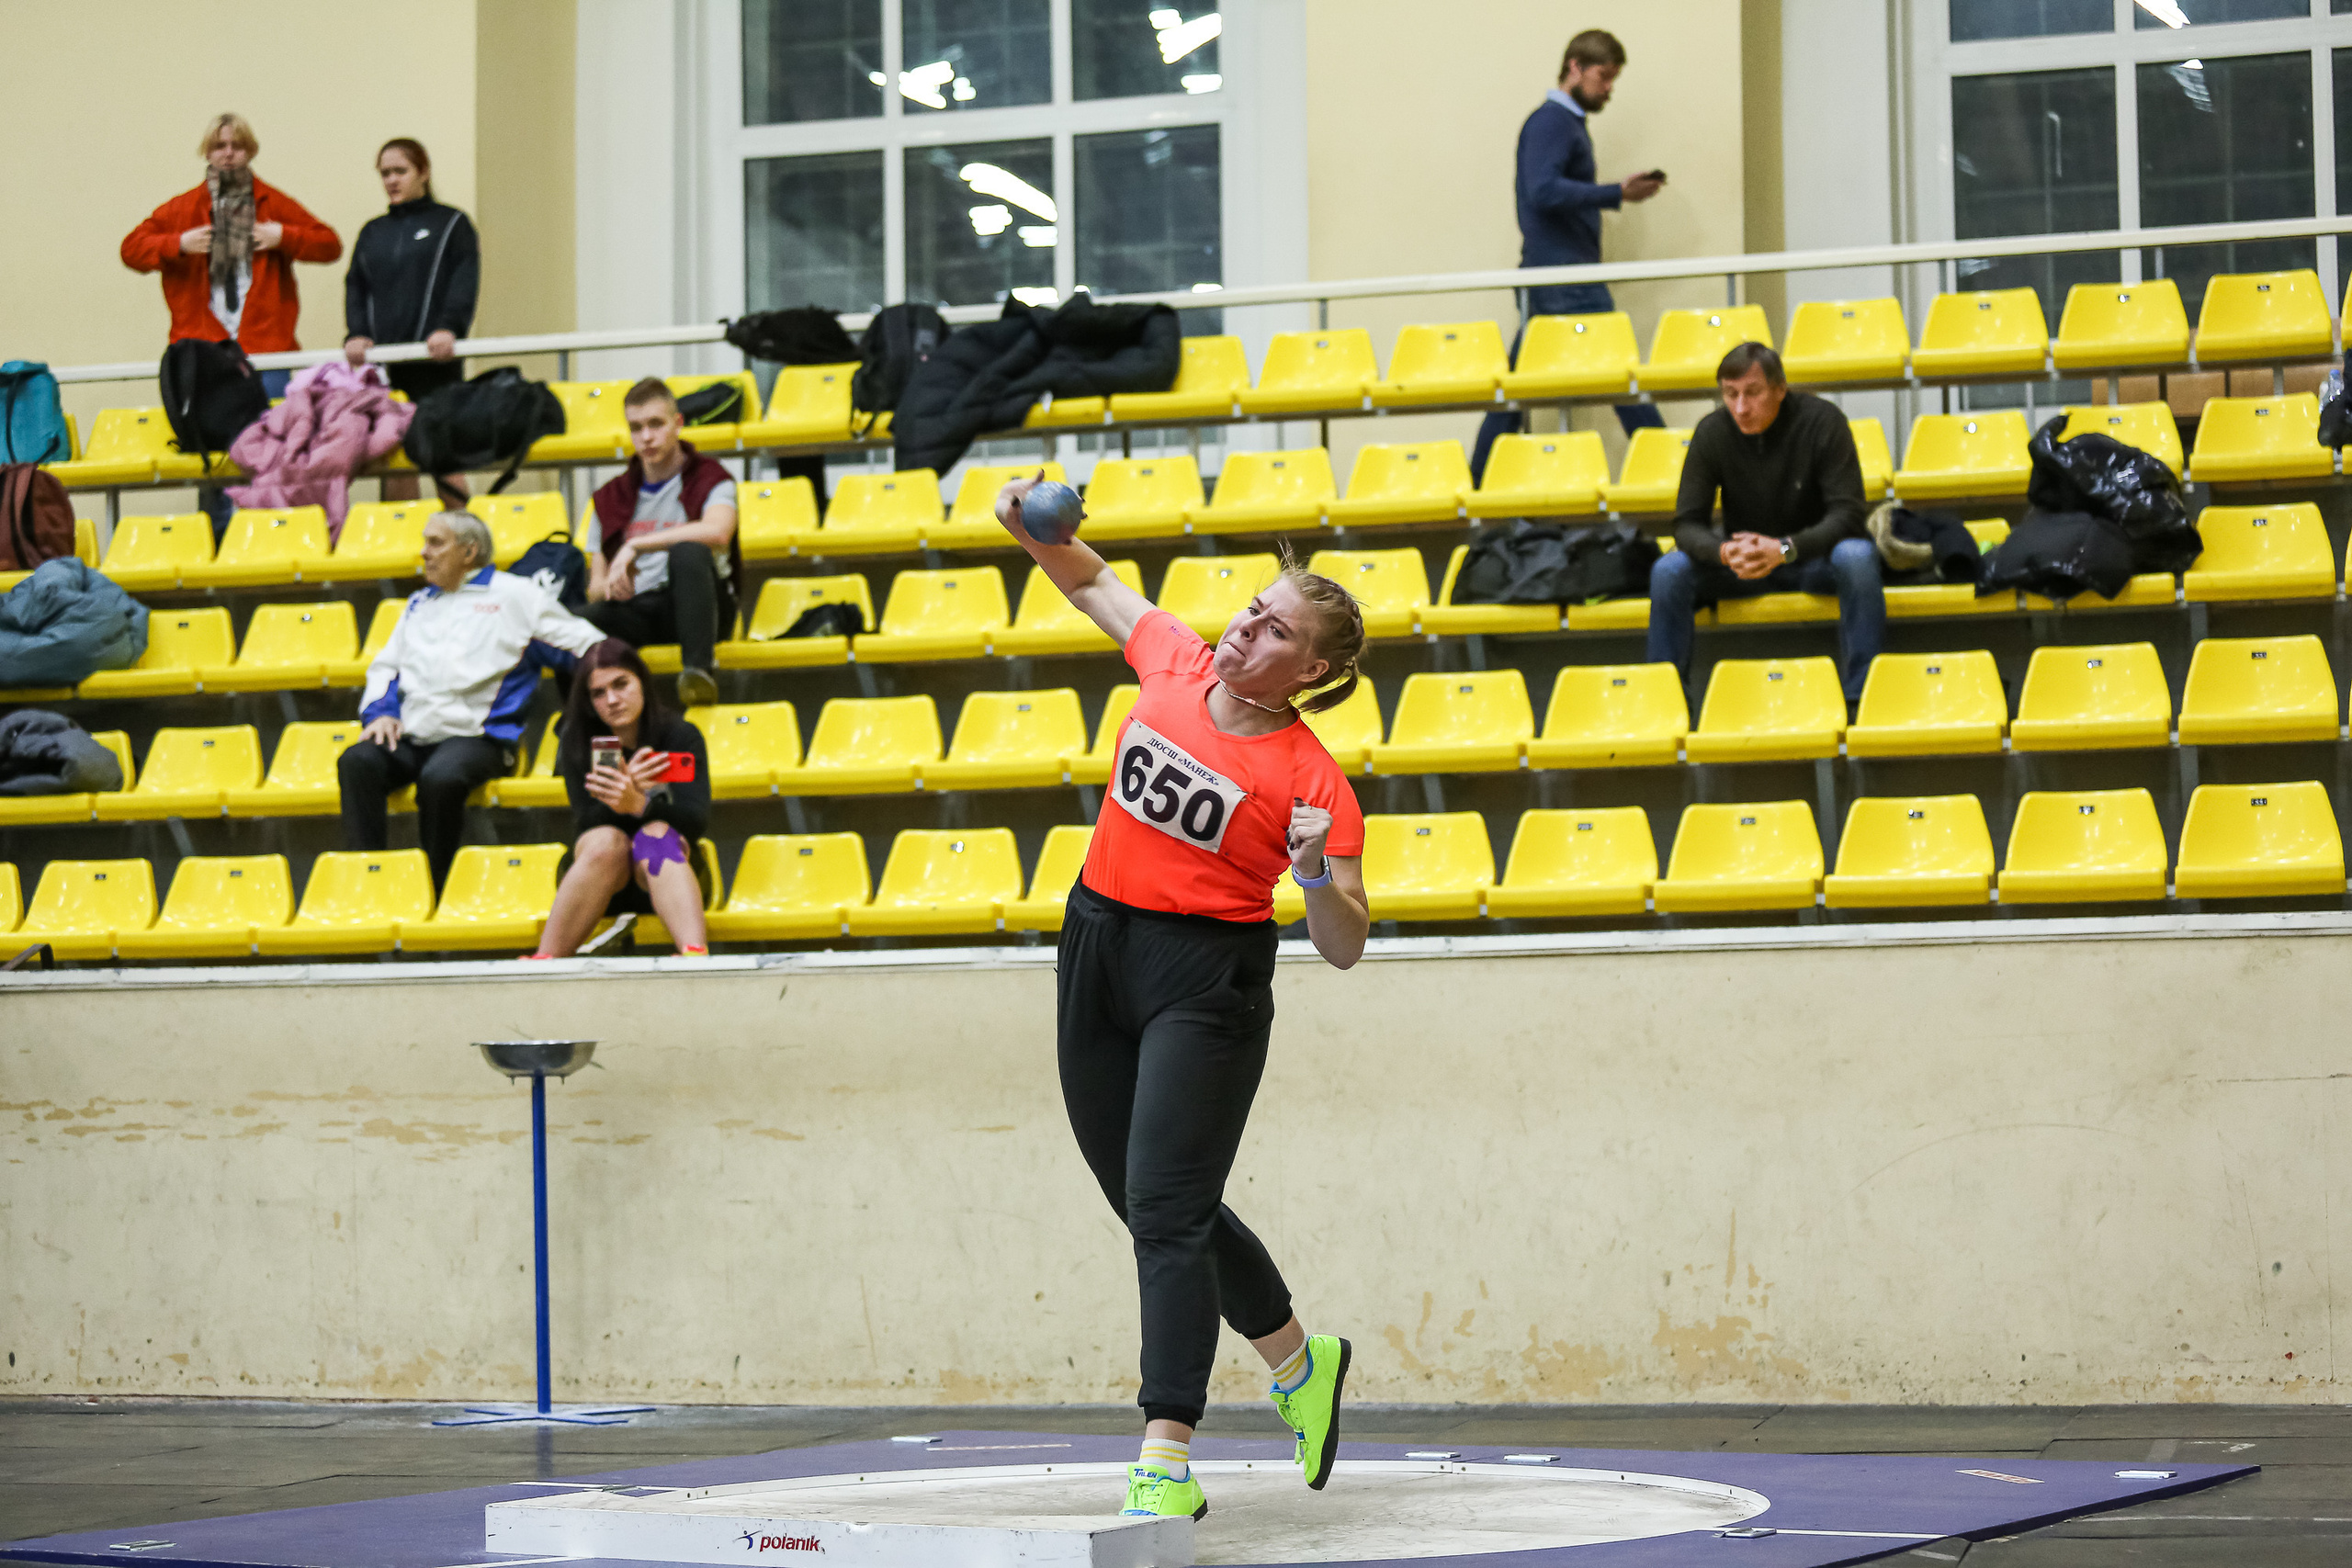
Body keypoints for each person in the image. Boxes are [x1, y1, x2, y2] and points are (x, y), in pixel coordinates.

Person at [991, 474, 1370, 1524]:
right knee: (1148, 1197)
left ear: (1313, 671)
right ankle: (1299, 1362)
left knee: (1163, 1212)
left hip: (1206, 981)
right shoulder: (1174, 658)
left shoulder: (1313, 779)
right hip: (1096, 940)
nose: (1247, 628)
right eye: (1253, 609)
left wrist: (1311, 874)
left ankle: (1165, 1453)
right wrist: (1026, 522)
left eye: (1277, 630)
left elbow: (1343, 943)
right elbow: (1090, 581)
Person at [344, 510, 604, 892]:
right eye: (425, 542)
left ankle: (437, 890)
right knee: (357, 761)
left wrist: (598, 700)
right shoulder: (419, 603)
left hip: (482, 738)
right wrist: (380, 713)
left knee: (440, 778)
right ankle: (366, 884)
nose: (424, 552)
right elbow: (386, 667)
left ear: (469, 552)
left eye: (436, 543)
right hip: (415, 736)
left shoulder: (517, 595)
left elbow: (589, 646)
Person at [120, 113, 342, 528]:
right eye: (219, 146)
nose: (227, 154)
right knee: (215, 452)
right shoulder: (183, 208)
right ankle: (219, 541)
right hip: (204, 351)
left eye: (236, 146)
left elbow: (329, 244)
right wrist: (177, 243)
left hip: (267, 348)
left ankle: (269, 532)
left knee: (271, 449)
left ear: (250, 151)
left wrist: (284, 237)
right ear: (206, 152)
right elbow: (131, 249)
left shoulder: (272, 203)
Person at [1471, 29, 1664, 481]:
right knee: (1623, 379)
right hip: (1566, 276)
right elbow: (1543, 190)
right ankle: (1671, 466)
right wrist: (1616, 193)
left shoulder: (1560, 122)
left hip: (1553, 273)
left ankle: (1477, 483)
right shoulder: (1553, 122)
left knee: (1514, 392)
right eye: (1603, 77)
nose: (1609, 89)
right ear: (1574, 67)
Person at [1646, 343, 1879, 709]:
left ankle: (1862, 699)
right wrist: (1724, 552)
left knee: (1857, 556)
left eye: (1752, 393)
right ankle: (1665, 705)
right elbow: (1687, 524)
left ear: (1780, 389)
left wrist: (1785, 549)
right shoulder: (1712, 432)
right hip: (1745, 564)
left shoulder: (1823, 421)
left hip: (1811, 559)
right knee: (1669, 569)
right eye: (1730, 394)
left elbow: (1848, 515)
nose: (1741, 407)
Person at [530, 640, 713, 959]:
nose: (612, 700)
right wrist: (621, 797)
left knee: (655, 836)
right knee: (605, 842)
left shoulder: (679, 735)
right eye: (598, 693)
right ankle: (545, 960)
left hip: (670, 879)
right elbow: (584, 822)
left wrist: (640, 804)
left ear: (642, 682)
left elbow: (695, 821)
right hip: (599, 878)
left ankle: (695, 954)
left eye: (621, 684)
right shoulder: (577, 740)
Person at [586, 378, 739, 709]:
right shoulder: (609, 497)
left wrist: (637, 545)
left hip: (702, 608)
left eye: (656, 424)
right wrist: (613, 587)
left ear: (678, 424)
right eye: (636, 428)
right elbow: (594, 589)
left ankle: (698, 674)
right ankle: (581, 721)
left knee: (688, 550)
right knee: (575, 623)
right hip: (641, 608)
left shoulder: (712, 477)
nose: (646, 437)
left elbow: (718, 532)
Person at [344, 138, 481, 506]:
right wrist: (357, 333)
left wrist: (449, 327)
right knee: (395, 459)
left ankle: (462, 535)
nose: (391, 180)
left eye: (400, 171)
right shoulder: (373, 232)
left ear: (423, 172)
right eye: (385, 173)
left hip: (434, 364)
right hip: (386, 368)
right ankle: (402, 539)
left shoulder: (452, 224)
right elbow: (356, 287)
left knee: (442, 456)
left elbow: (464, 281)